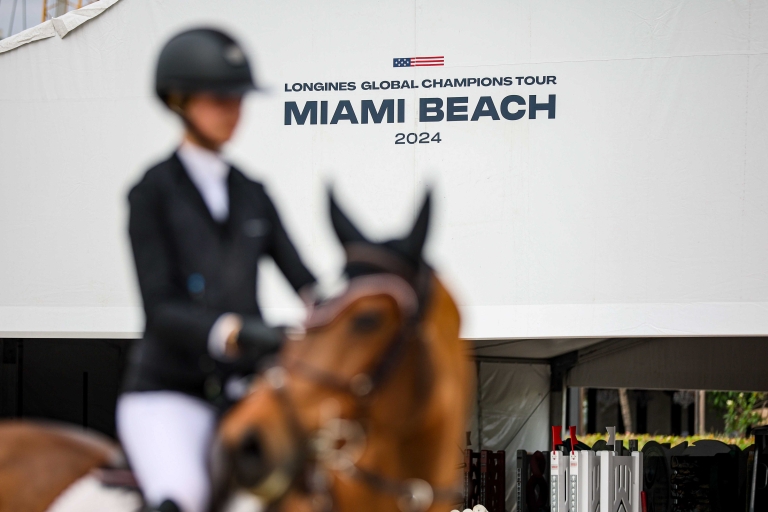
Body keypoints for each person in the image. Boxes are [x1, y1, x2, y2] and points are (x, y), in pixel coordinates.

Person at [117, 28, 317, 512]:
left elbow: (307, 284)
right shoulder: (151, 193)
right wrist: (234, 331)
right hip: (168, 394)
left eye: (239, 99)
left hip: (243, 394)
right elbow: (160, 309)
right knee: (183, 495)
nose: (234, 111)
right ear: (179, 101)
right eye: (219, 99)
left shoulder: (253, 192)